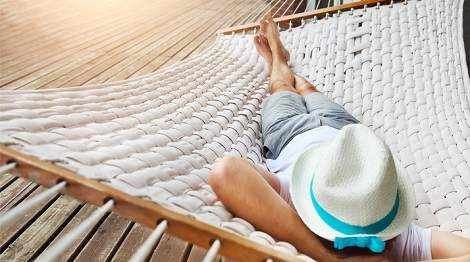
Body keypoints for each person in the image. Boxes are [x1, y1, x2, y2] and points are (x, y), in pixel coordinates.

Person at [208, 14, 470, 262]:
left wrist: (322, 255)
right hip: (345, 133)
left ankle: (277, 60)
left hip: (289, 132)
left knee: (282, 87)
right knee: (309, 89)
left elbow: (226, 172)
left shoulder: (296, 201)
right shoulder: (396, 235)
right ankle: (280, 57)